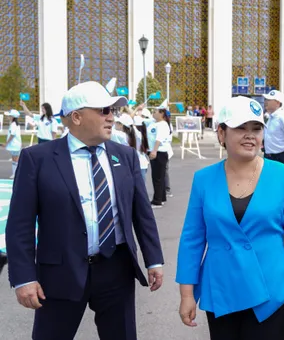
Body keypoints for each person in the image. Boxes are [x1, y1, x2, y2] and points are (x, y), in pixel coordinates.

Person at [6, 81, 164, 339]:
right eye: (104, 110)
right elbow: (19, 225)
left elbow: (142, 213)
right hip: (60, 274)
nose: (111, 117)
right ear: (76, 117)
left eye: (113, 110)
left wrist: (153, 259)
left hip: (116, 269)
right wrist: (24, 277)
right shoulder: (37, 159)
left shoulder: (126, 156)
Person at [176, 96, 284, 339]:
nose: (250, 135)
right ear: (221, 133)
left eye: (256, 129)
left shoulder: (283, 176)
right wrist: (187, 295)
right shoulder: (204, 179)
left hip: (271, 289)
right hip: (222, 289)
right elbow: (192, 239)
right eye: (241, 128)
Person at [262, 90, 284, 166]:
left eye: (269, 100)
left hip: (280, 157)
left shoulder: (283, 117)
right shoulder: (270, 117)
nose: (265, 102)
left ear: (278, 103)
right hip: (268, 156)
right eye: (266, 99)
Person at [149, 107, 173, 207]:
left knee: (157, 178)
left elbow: (159, 138)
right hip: (157, 152)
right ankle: (161, 197)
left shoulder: (163, 125)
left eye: (155, 112)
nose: (153, 113)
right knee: (159, 177)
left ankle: (157, 201)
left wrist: (154, 150)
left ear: (161, 114)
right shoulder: (155, 123)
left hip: (159, 152)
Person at [3, 109, 22, 178]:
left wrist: (6, 143)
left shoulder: (14, 125)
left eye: (9, 116)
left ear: (13, 117)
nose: (8, 117)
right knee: (15, 160)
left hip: (15, 145)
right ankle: (15, 173)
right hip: (15, 145)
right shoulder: (14, 124)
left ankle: (16, 174)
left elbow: (12, 135)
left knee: (15, 160)